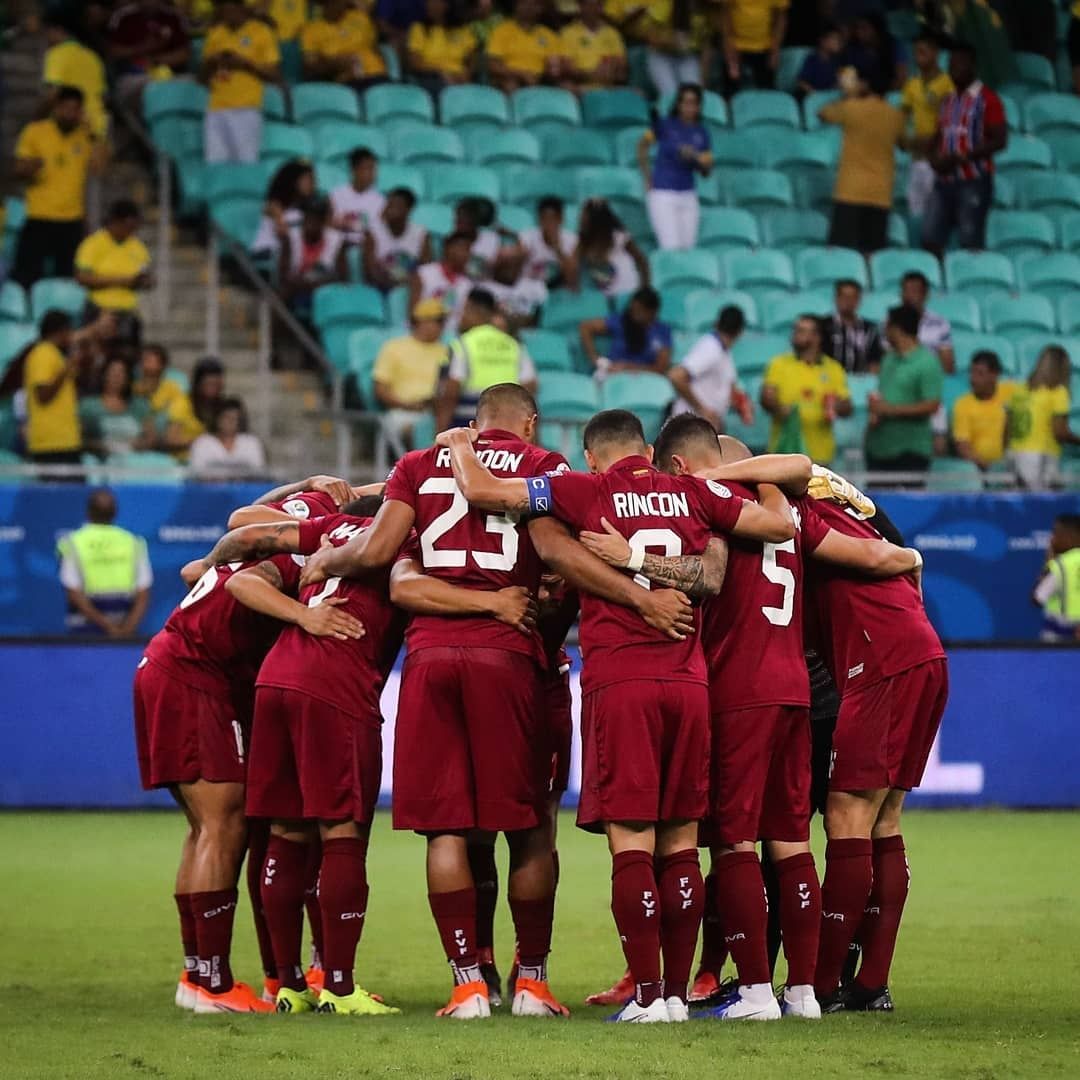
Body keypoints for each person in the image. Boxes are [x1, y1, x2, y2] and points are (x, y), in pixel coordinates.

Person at [298, 387, 700, 1019]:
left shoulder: (416, 466)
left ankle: (468, 985)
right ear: (531, 424)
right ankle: (533, 982)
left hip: (430, 659)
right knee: (533, 826)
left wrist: (325, 556)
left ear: (473, 424)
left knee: (448, 830)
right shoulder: (548, 468)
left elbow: (387, 565)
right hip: (514, 659)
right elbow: (563, 563)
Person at [439, 407, 796, 1023]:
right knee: (682, 844)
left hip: (622, 682)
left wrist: (458, 446)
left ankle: (649, 997)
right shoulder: (692, 491)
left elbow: (481, 490)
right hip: (689, 685)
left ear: (592, 453)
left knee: (632, 843)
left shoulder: (586, 488)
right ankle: (680, 998)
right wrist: (748, 478)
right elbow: (771, 526)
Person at [198, 498, 400, 1016]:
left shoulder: (323, 534)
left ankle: (287, 984)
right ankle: (338, 985)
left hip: (275, 683)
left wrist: (300, 613)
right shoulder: (402, 541)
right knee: (343, 835)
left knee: (286, 836)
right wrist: (313, 619)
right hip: (336, 685)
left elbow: (240, 577)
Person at [133, 539, 314, 1013]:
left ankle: (198, 974)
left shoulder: (259, 541)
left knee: (203, 829)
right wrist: (304, 616)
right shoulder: (289, 561)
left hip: (167, 666)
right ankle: (213, 984)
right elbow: (243, 585)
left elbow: (206, 562)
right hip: (193, 678)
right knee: (224, 824)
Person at [800, 485, 946, 1013]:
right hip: (921, 654)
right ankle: (871, 983)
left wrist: (909, 557)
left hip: (881, 664)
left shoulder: (797, 513)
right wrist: (912, 558)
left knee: (847, 813)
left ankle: (819, 987)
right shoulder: (849, 513)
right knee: (883, 819)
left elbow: (881, 555)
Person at [12, 86, 105, 288]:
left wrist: (93, 134)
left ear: (81, 111)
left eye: (75, 109)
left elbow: (98, 168)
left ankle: (62, 318)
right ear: (56, 108)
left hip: (71, 221)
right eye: (65, 108)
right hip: (39, 217)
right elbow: (18, 169)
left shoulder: (85, 137)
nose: (70, 114)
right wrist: (30, 167)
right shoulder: (35, 131)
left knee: (67, 280)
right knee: (25, 277)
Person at [922, 41, 1007, 258]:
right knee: (930, 238)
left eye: (959, 65)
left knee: (970, 241)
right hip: (944, 180)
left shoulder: (988, 99)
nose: (954, 70)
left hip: (974, 181)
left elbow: (1000, 140)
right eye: (951, 65)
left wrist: (964, 156)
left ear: (972, 66)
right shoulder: (948, 101)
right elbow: (939, 134)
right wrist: (933, 158)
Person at [819, 64, 904, 255]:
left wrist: (849, 94)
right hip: (880, 193)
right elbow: (903, 143)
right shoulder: (895, 115)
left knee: (840, 252)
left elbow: (822, 113)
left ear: (865, 85)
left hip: (850, 191)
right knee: (871, 255)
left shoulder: (851, 108)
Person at [22, 309, 111, 470]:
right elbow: (43, 395)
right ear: (61, 331)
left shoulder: (58, 356)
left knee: (74, 493)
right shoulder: (42, 353)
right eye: (69, 330)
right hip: (50, 442)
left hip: (66, 440)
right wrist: (65, 370)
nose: (71, 335)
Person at [436, 287, 537, 429]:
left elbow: (452, 390)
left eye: (464, 311)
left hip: (471, 418)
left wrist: (440, 432)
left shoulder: (463, 344)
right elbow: (530, 385)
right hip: (510, 420)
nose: (461, 317)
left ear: (474, 311)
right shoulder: (513, 344)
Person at [58, 487, 153, 637]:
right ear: (115, 512)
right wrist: (126, 629)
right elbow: (143, 592)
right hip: (114, 624)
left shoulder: (72, 542)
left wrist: (112, 628)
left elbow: (73, 593)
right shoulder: (132, 541)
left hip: (90, 626)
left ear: (88, 512)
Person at [865, 304, 944, 477]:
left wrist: (890, 410)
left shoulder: (927, 362)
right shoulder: (888, 359)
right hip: (879, 447)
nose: (884, 330)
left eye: (887, 326)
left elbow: (932, 405)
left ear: (897, 328)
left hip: (910, 450)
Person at [762, 315, 852, 464]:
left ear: (817, 337)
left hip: (819, 455)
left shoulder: (833, 368)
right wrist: (778, 407)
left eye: (802, 331)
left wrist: (835, 406)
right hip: (782, 453)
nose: (796, 334)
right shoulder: (779, 364)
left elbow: (847, 406)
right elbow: (766, 397)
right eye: (796, 330)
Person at [201, 0, 281, 164]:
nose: (227, 14)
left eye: (231, 9)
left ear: (241, 8)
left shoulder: (261, 31)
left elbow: (275, 74)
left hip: (246, 109)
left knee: (246, 164)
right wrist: (211, 62)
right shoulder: (215, 33)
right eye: (224, 9)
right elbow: (201, 78)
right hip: (216, 109)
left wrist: (245, 64)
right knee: (215, 166)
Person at [639, 83, 712, 251]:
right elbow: (642, 145)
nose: (689, 107)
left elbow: (706, 172)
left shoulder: (702, 133)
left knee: (688, 249)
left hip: (688, 194)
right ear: (678, 104)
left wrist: (697, 160)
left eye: (694, 103)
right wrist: (647, 175)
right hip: (663, 192)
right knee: (670, 247)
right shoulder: (664, 125)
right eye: (685, 102)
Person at [74, 199, 153, 350]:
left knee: (127, 355)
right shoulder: (93, 244)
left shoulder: (138, 246)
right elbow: (82, 277)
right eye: (128, 226)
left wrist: (145, 281)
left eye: (134, 227)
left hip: (128, 311)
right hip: (98, 309)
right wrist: (122, 280)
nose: (131, 231)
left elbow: (145, 275)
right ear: (115, 221)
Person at [372, 298, 448, 445]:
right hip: (402, 411)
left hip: (436, 411)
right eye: (439, 321)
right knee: (420, 428)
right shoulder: (394, 348)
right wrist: (407, 405)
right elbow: (380, 389)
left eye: (443, 322)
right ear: (422, 322)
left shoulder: (447, 351)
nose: (443, 326)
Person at [669, 304, 751, 431]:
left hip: (702, 427)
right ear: (740, 332)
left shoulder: (724, 351)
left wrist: (742, 404)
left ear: (717, 323)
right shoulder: (711, 348)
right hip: (690, 426)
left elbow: (730, 387)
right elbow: (676, 376)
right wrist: (702, 409)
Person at [1008, 345, 1079, 490]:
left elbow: (1008, 424)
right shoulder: (1058, 392)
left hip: (1014, 453)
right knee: (1042, 505)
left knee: (1020, 505)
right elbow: (1059, 432)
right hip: (1040, 456)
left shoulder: (1020, 389)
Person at [899, 31, 953, 220]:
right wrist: (903, 137)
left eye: (923, 52)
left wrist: (932, 141)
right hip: (917, 158)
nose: (918, 57)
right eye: (916, 53)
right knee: (916, 213)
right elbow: (903, 114)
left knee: (937, 214)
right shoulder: (912, 84)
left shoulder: (947, 84)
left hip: (938, 158)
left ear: (935, 53)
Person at [106, 0, 192, 105]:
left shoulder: (174, 16)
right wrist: (142, 48)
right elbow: (112, 52)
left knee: (192, 84)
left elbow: (184, 53)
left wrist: (154, 60)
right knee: (151, 87)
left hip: (172, 76)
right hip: (133, 77)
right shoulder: (123, 16)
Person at [278, 196, 348, 319]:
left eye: (316, 219)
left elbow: (342, 278)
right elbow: (283, 275)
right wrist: (303, 283)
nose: (310, 223)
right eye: (308, 218)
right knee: (284, 294)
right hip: (296, 290)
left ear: (323, 221)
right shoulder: (291, 237)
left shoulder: (336, 240)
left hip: (325, 293)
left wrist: (316, 284)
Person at [579, 286, 672, 377]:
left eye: (639, 311)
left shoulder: (663, 331)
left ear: (652, 312)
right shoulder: (621, 321)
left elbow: (660, 369)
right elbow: (585, 327)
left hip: (642, 378)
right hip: (612, 373)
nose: (633, 313)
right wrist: (596, 359)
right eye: (633, 309)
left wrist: (629, 368)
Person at [42, 14, 108, 142]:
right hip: (97, 126)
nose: (46, 37)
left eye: (47, 32)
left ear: (58, 31)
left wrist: (38, 116)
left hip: (69, 125)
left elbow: (53, 92)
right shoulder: (93, 56)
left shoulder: (56, 54)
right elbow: (103, 97)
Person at [300, 0, 387, 91]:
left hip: (377, 75)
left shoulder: (361, 18)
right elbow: (309, 70)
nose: (342, 4)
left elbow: (376, 50)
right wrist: (334, 63)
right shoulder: (311, 30)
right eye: (336, 2)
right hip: (347, 82)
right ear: (325, 5)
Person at [951, 350, 1015, 469]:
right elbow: (963, 446)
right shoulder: (963, 404)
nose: (973, 379)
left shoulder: (1012, 392)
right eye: (972, 372)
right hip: (980, 469)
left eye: (980, 374)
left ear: (994, 375)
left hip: (1013, 465)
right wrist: (989, 468)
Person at [80, 356, 153, 458]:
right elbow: (80, 438)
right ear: (104, 375)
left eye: (121, 373)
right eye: (112, 372)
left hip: (136, 459)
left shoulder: (140, 405)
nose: (117, 377)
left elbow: (150, 437)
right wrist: (101, 445)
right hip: (101, 461)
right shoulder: (88, 406)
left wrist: (140, 444)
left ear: (128, 378)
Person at [575, 198, 649, 297]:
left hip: (628, 289)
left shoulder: (618, 236)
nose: (581, 218)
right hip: (606, 295)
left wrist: (645, 287)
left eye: (584, 215)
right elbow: (573, 266)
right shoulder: (583, 242)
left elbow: (641, 260)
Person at [363, 186, 432, 291]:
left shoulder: (421, 234)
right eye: (389, 205)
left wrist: (406, 284)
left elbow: (425, 271)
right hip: (380, 288)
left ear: (409, 209)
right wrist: (392, 284)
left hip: (409, 289)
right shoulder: (373, 232)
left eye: (396, 206)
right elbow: (370, 272)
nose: (390, 210)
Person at [486, 0, 563, 93]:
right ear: (517, 5)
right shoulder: (502, 31)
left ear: (541, 9)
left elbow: (554, 64)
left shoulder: (548, 35)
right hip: (511, 78)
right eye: (524, 3)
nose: (529, 7)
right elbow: (492, 65)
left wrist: (551, 70)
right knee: (510, 84)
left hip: (541, 80)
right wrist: (521, 74)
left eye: (534, 4)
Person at [410, 231, 475, 333]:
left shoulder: (468, 285)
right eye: (462, 248)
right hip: (422, 330)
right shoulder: (424, 273)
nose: (466, 254)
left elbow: (462, 318)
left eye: (468, 250)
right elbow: (413, 312)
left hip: (451, 335)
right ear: (447, 248)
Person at [406, 0, 478, 91]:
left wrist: (467, 74)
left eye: (436, 2)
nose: (430, 5)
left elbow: (472, 58)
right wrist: (440, 72)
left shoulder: (463, 29)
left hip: (459, 77)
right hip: (431, 77)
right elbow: (415, 63)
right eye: (429, 2)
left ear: (447, 5)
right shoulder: (419, 29)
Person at [251, 159, 316, 259]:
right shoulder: (273, 205)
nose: (312, 184)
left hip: (288, 254)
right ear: (293, 181)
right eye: (308, 180)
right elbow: (282, 232)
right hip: (267, 251)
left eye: (313, 180)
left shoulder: (301, 208)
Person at [189, 398, 267, 479]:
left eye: (234, 418)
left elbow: (260, 473)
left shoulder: (251, 443)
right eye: (226, 417)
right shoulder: (202, 443)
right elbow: (196, 474)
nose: (230, 421)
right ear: (217, 419)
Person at [722, 0, 789, 93]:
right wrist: (728, 50)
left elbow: (781, 19)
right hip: (737, 48)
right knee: (731, 91)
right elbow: (725, 17)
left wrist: (775, 50)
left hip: (765, 47)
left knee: (766, 91)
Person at [559, 0, 627, 89]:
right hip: (582, 87)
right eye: (589, 5)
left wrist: (614, 71)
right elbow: (567, 68)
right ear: (580, 7)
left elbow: (622, 68)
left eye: (597, 5)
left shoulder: (612, 33)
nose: (593, 9)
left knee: (638, 93)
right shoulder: (567, 33)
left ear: (602, 7)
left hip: (610, 87)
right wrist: (590, 75)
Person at [1032, 514, 1080, 641]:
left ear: (1071, 536)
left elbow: (1037, 598)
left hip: (1061, 641)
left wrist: (1048, 564)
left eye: (1056, 533)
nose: (1052, 539)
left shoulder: (1060, 565)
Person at [821, 279, 884, 374]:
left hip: (861, 380)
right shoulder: (822, 326)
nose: (848, 301)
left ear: (859, 300)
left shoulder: (870, 328)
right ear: (836, 299)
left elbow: (875, 361)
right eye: (844, 296)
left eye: (853, 297)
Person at [517, 196, 578, 290]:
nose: (548, 224)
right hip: (531, 288)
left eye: (552, 219)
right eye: (544, 219)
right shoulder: (526, 237)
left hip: (560, 289)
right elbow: (517, 275)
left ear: (561, 219)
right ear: (538, 219)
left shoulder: (573, 240)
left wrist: (558, 250)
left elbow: (573, 280)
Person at [900, 271, 954, 373]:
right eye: (905, 291)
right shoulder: (889, 324)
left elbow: (948, 366)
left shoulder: (940, 323)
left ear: (926, 295)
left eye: (914, 291)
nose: (909, 296)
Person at [329, 147, 385, 245]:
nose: (373, 174)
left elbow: (376, 233)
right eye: (368, 168)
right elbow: (330, 225)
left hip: (366, 249)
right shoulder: (335, 195)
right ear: (354, 170)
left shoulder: (381, 200)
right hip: (339, 248)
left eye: (374, 169)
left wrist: (346, 225)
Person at [794, 23, 842, 99]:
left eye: (839, 40)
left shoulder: (835, 62)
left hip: (828, 100)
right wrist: (814, 94)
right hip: (813, 99)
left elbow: (834, 84)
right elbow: (801, 82)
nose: (837, 43)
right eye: (834, 39)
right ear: (822, 41)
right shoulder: (812, 60)